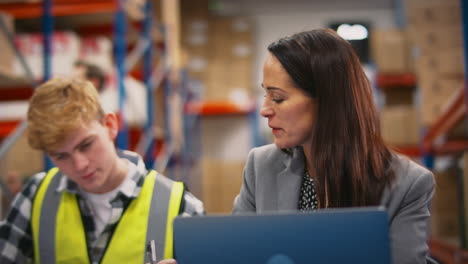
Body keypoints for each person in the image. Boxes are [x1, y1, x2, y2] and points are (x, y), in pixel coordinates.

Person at [232, 29, 435, 264]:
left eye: (277, 98)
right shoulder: (261, 166)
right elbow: (239, 253)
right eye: (265, 95)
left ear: (328, 101)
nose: (264, 110)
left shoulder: (407, 184)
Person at [0, 77, 204, 264]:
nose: (80, 165)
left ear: (110, 125)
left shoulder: (181, 207)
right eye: (61, 156)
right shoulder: (36, 196)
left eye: (86, 145)